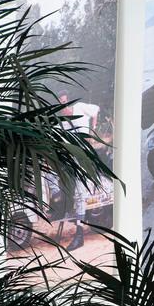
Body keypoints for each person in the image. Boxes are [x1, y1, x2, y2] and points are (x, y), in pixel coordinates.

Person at [58, 90, 100, 251]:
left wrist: (93, 130)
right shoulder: (63, 123)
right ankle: (79, 227)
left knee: (80, 193)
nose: (63, 107)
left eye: (65, 102)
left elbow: (96, 110)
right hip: (74, 158)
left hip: (84, 154)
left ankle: (79, 235)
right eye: (60, 104)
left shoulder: (81, 107)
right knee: (76, 193)